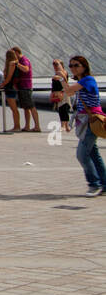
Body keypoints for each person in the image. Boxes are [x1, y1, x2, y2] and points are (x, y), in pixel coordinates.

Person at [64, 55, 105, 196]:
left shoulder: (88, 80)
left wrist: (62, 79)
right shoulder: (82, 81)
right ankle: (104, 184)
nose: (73, 68)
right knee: (93, 154)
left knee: (82, 154)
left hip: (90, 121)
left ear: (84, 66)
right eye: (71, 66)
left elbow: (68, 91)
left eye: (76, 65)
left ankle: (94, 184)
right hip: (85, 121)